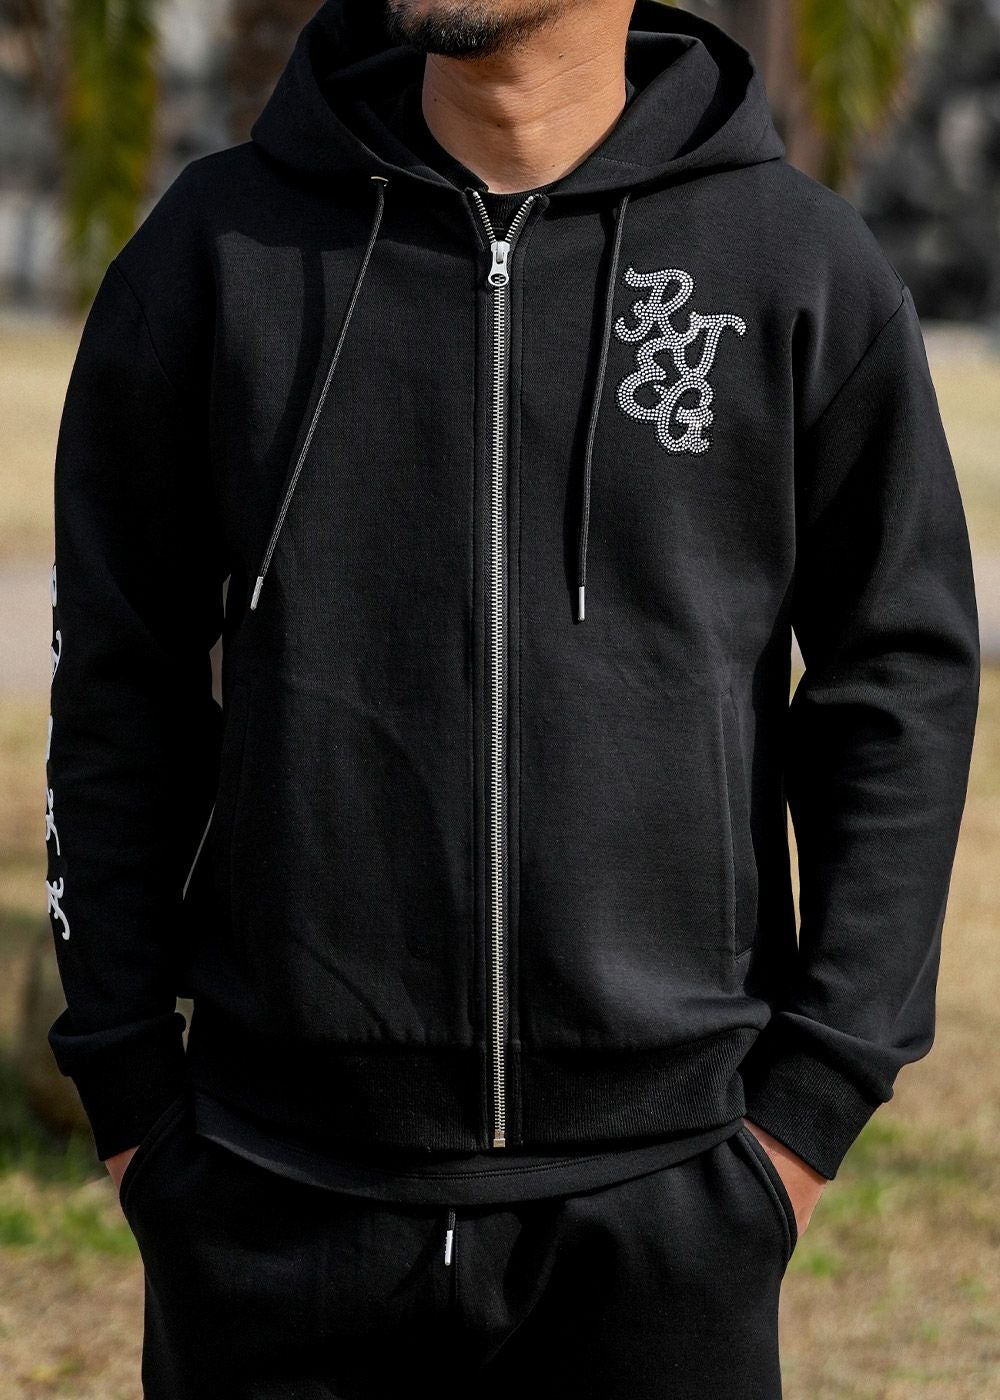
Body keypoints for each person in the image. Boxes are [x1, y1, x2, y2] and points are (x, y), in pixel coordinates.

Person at [43, 0, 980, 1395]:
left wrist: (805, 1114)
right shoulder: (217, 253)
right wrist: (132, 1098)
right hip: (268, 1203)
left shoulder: (796, 268)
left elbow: (898, 684)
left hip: (665, 1209)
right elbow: (117, 682)